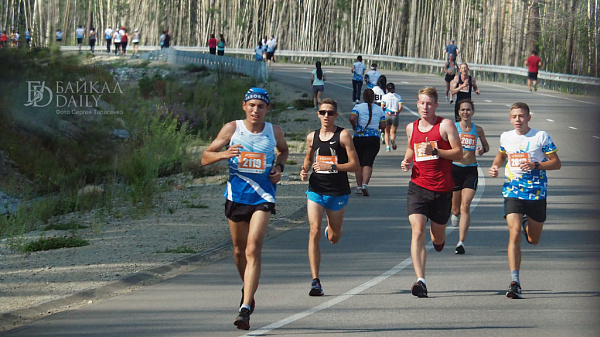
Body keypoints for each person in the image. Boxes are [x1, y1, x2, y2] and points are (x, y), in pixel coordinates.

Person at [201, 87, 289, 330]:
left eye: (261, 106)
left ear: (267, 109)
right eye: (252, 105)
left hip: (263, 197)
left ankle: (245, 307)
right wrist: (223, 155)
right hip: (236, 196)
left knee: (253, 248)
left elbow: (283, 151)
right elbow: (205, 157)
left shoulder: (275, 131)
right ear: (244, 106)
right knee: (239, 251)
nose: (256, 110)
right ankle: (248, 288)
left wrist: (279, 168)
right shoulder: (232, 129)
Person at [488, 102, 561, 299]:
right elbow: (501, 155)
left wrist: (536, 164)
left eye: (521, 116)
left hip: (536, 194)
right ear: (510, 119)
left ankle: (527, 224)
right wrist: (495, 167)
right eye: (514, 117)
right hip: (513, 191)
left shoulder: (540, 137)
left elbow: (556, 163)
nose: (518, 120)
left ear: (529, 118)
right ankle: (515, 282)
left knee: (533, 240)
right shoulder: (506, 137)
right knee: (513, 233)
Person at [400, 87, 463, 298]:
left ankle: (439, 240)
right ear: (416, 104)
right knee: (417, 230)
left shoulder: (445, 125)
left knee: (437, 237)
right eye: (421, 103)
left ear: (436, 105)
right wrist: (407, 160)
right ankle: (421, 280)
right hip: (418, 187)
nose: (425, 107)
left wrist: (435, 151)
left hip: (442, 189)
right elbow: (412, 146)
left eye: (429, 104)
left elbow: (459, 153)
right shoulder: (411, 127)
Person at [300, 98, 360, 297]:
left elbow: (355, 165)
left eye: (330, 112)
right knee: (314, 230)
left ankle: (333, 230)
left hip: (338, 192)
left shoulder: (343, 136)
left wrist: (332, 166)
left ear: (335, 115)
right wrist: (304, 169)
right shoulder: (312, 136)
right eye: (323, 112)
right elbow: (309, 157)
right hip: (316, 189)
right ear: (318, 114)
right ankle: (315, 281)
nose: (326, 116)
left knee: (333, 238)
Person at [450, 99, 489, 255]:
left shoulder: (477, 130)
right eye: (462, 110)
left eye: (468, 109)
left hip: (470, 170)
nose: (465, 112)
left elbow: (486, 146)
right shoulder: (454, 128)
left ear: (473, 111)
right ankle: (454, 214)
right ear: (459, 112)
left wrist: (482, 150)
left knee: (465, 205)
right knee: (456, 208)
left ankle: (461, 242)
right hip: (455, 169)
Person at [350, 89, 386, 196]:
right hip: (373, 138)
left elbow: (352, 118)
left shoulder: (358, 107)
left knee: (359, 163)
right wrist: (377, 125)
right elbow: (383, 125)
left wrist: (355, 127)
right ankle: (365, 184)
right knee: (368, 162)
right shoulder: (379, 109)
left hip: (359, 137)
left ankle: (359, 187)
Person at [381, 82, 403, 152]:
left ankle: (388, 147)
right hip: (395, 115)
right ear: (394, 89)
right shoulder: (398, 97)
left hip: (387, 114)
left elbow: (382, 107)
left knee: (386, 132)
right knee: (393, 132)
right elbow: (400, 107)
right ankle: (392, 140)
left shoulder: (384, 97)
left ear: (387, 89)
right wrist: (398, 112)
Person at [372, 75, 387, 145]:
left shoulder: (375, 88)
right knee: (382, 120)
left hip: (375, 105)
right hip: (383, 105)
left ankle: (376, 133)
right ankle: (382, 132)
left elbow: (371, 96)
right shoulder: (385, 90)